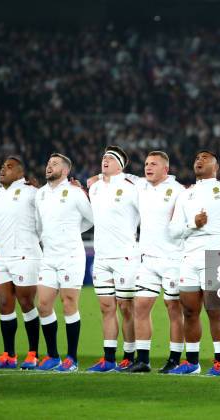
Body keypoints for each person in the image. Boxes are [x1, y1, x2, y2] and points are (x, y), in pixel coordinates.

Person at [168, 150, 220, 375]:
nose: (198, 160)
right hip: (189, 257)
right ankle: (192, 363)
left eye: (205, 158)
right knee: (189, 312)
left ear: (216, 166)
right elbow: (173, 230)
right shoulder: (185, 195)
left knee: (214, 310)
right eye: (196, 157)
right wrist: (193, 224)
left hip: (215, 255)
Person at [126, 151, 185, 373]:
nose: (148, 167)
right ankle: (143, 360)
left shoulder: (178, 191)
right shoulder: (140, 186)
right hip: (148, 259)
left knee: (173, 308)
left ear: (165, 170)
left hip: (173, 259)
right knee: (140, 306)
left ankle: (174, 359)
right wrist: (91, 181)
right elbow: (120, 176)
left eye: (154, 164)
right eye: (147, 164)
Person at [35, 153, 93, 372]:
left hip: (70, 255)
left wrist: (73, 229)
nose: (50, 166)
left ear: (66, 170)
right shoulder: (40, 194)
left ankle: (72, 358)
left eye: (55, 164)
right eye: (49, 163)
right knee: (43, 305)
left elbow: (92, 218)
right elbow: (39, 225)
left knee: (69, 303)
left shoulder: (75, 193)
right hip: (49, 255)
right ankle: (52, 356)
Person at [0, 156, 41, 370]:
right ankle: (9, 355)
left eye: (9, 167)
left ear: (20, 173)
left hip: (26, 254)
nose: (3, 169)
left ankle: (33, 354)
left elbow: (44, 218)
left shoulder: (31, 192)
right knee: (4, 304)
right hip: (2, 256)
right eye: (2, 166)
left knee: (26, 303)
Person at [87, 146, 140, 372]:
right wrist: (97, 177)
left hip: (125, 255)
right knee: (106, 307)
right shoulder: (95, 188)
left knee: (126, 307)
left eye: (110, 158)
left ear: (121, 164)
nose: (105, 160)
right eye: (103, 157)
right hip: (102, 256)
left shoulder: (133, 186)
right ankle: (109, 359)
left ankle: (129, 355)